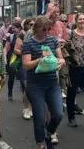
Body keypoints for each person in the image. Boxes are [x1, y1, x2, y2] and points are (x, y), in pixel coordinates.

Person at [22, 16, 65, 149]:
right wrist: (40, 59)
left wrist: (61, 62)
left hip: (52, 83)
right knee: (39, 117)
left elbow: (61, 58)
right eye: (43, 29)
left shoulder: (52, 41)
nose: (46, 31)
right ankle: (40, 143)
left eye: (48, 29)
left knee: (58, 113)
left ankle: (49, 133)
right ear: (36, 29)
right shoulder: (28, 43)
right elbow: (26, 65)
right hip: (35, 85)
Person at [12, 22, 32, 120]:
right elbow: (16, 50)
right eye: (30, 24)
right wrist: (26, 53)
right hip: (24, 64)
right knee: (27, 86)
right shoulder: (22, 36)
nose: (32, 26)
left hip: (36, 64)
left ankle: (33, 107)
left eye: (34, 24)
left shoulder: (40, 35)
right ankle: (27, 108)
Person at [4, 22, 26, 102]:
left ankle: (25, 95)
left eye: (15, 28)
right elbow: (5, 48)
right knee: (11, 77)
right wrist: (5, 59)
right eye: (12, 28)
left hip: (22, 59)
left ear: (20, 28)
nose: (13, 30)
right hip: (12, 59)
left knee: (23, 78)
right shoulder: (11, 37)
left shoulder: (25, 36)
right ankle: (10, 93)